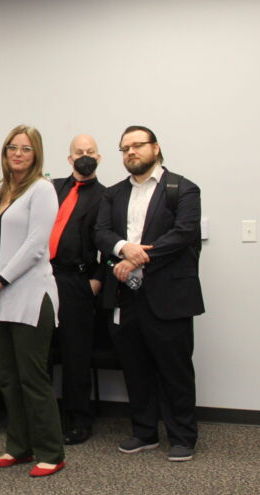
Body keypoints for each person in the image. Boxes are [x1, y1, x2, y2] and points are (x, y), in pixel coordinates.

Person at [94, 125, 203, 462]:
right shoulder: (112, 194)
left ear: (156, 148)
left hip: (168, 296)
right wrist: (124, 249)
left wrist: (140, 257)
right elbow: (100, 233)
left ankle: (182, 436)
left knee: (175, 369)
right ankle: (144, 431)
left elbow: (183, 234)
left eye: (138, 145)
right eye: (124, 147)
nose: (131, 152)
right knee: (135, 366)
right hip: (126, 297)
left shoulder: (183, 189)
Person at [0, 125, 64, 477]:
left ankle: (51, 452)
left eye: (26, 148)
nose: (18, 153)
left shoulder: (43, 190)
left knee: (32, 377)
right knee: (8, 378)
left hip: (28, 295)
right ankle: (18, 446)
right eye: (12, 147)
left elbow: (36, 245)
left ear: (36, 153)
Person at [50, 134, 107, 445]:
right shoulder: (51, 188)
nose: (85, 156)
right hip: (43, 277)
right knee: (40, 351)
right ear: (69, 159)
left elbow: (111, 244)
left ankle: (79, 421)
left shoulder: (107, 196)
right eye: (79, 152)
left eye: (90, 152)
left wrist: (97, 281)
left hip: (78, 281)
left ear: (99, 158)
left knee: (76, 354)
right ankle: (43, 419)